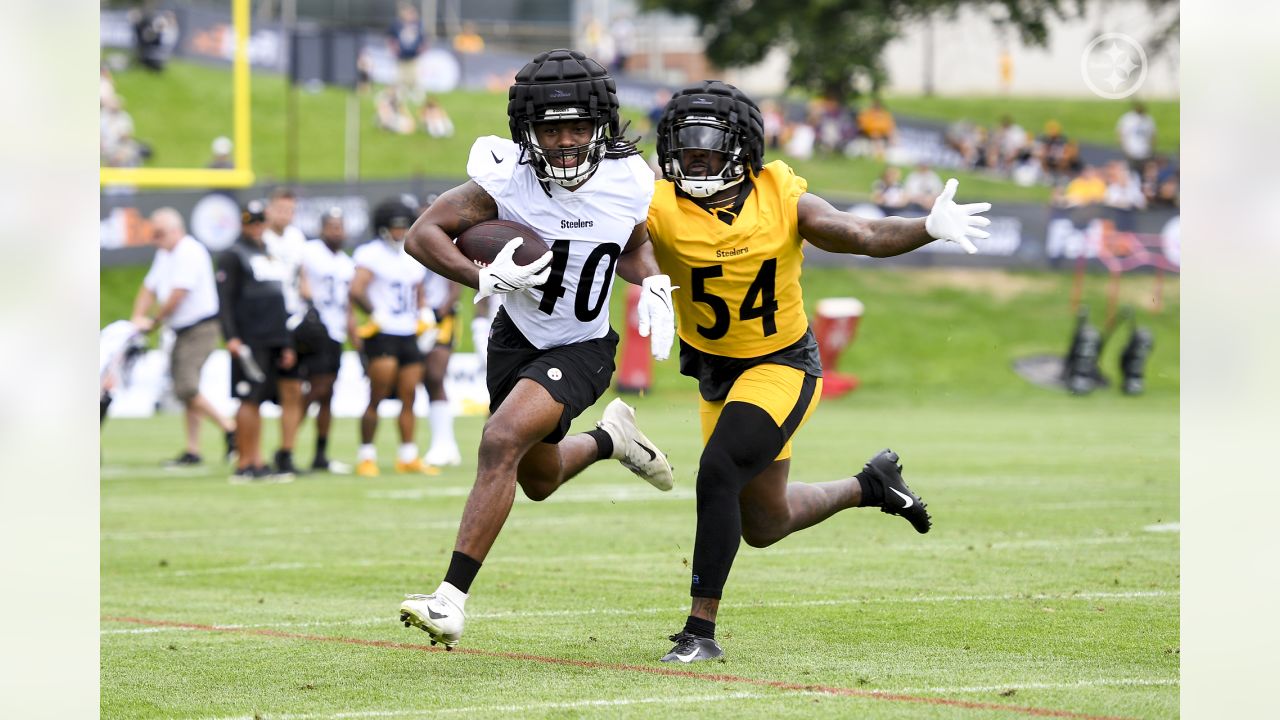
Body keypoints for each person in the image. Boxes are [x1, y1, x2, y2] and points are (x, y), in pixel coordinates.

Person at [645, 80, 991, 663]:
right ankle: (871, 485)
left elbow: (860, 233)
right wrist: (646, 279)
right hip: (715, 368)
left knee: (717, 471)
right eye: (685, 145)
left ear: (744, 149)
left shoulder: (779, 194)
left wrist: (924, 228)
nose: (694, 157)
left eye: (708, 145)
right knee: (764, 521)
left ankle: (699, 632)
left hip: (781, 362)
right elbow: (622, 243)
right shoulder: (655, 203)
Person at [397, 48, 677, 650]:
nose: (568, 141)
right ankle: (612, 440)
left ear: (601, 125)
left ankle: (449, 600)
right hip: (514, 340)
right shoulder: (505, 178)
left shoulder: (628, 178)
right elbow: (422, 235)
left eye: (579, 126)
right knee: (539, 479)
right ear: (528, 131)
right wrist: (483, 280)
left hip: (582, 344)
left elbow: (629, 246)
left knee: (499, 439)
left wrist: (650, 279)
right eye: (552, 128)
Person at [129, 208, 236, 465]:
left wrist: (153, 322)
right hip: (182, 329)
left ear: (176, 230)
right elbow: (149, 287)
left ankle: (230, 428)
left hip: (201, 327)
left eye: (159, 233)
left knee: (185, 386)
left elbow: (178, 295)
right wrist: (136, 318)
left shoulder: (189, 251)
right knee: (188, 390)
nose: (155, 239)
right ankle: (193, 449)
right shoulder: (165, 254)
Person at [349, 197, 432, 478]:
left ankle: (408, 454)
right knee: (378, 394)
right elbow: (357, 289)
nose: (400, 231)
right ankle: (366, 454)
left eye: (403, 226)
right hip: (383, 333)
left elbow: (418, 288)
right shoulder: (370, 253)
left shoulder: (411, 252)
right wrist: (374, 312)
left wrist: (424, 312)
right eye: (395, 227)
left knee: (410, 395)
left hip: (408, 331)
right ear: (384, 228)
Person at [216, 202, 296, 482]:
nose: (257, 227)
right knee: (248, 399)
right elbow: (224, 299)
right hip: (249, 337)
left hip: (272, 336)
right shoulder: (233, 255)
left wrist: (285, 343)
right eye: (252, 222)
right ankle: (244, 461)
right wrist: (231, 336)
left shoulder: (268, 254)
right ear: (243, 224)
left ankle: (258, 460)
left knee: (260, 399)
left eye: (260, 222)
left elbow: (279, 298)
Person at [297, 207, 357, 473]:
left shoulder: (346, 262)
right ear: (322, 229)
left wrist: (353, 336)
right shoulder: (309, 252)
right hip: (312, 328)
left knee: (327, 394)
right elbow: (299, 278)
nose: (337, 232)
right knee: (318, 388)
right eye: (333, 227)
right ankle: (287, 445)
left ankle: (320, 453)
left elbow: (348, 305)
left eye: (340, 227)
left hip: (335, 332)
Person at [262, 188, 310, 476]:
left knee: (293, 390)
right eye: (280, 208)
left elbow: (300, 276)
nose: (285, 215)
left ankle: (286, 452)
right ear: (269, 210)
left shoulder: (296, 238)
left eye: (290, 210)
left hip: (291, 319)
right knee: (254, 394)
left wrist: (309, 300)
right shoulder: (260, 238)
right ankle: (248, 455)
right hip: (264, 320)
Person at [413, 195, 464, 469]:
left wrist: (438, 312)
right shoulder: (408, 243)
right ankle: (410, 448)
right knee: (412, 379)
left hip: (441, 317)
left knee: (435, 375)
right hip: (413, 318)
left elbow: (456, 281)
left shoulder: (451, 243)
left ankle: (445, 443)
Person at [387, 2, 426, 103]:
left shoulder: (418, 25)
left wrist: (421, 48)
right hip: (401, 56)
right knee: (400, 79)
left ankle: (417, 97)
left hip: (413, 56)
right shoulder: (397, 24)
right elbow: (390, 38)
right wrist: (393, 48)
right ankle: (400, 97)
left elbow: (423, 39)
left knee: (414, 78)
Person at [1117, 101, 1156, 173]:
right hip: (1132, 152)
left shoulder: (1148, 119)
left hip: (1145, 152)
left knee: (1144, 173)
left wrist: (1151, 149)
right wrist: (1125, 149)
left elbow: (1153, 135)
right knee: (1132, 173)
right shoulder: (1128, 119)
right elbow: (1121, 133)